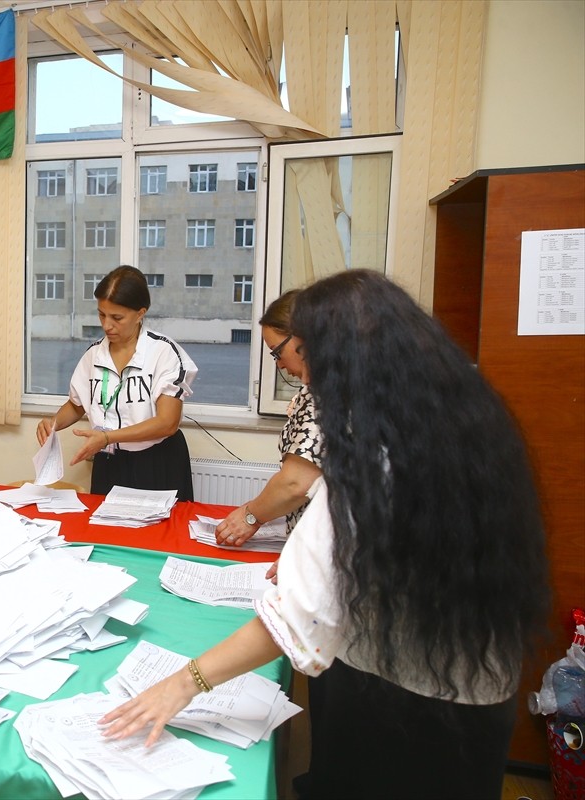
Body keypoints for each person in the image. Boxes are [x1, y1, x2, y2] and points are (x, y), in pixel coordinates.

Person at [99, 270, 550, 799]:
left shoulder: (375, 460)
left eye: (307, 359)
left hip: (409, 703)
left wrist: (182, 684)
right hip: (478, 689)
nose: (303, 377)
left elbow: (297, 615)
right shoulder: (463, 413)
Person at [36, 265, 198, 501]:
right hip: (109, 461)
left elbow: (167, 423)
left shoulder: (164, 352)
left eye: (117, 317)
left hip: (155, 463)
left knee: (157, 535)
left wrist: (108, 437)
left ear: (140, 313)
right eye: (101, 314)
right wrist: (53, 423)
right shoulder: (94, 355)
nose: (106, 325)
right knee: (107, 533)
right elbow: (77, 404)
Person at [215, 290, 322, 547]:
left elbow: (296, 482)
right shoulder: (319, 388)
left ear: (302, 338)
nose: (279, 365)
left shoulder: (330, 392)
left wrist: (250, 516)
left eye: (277, 352)